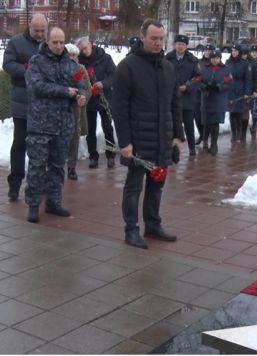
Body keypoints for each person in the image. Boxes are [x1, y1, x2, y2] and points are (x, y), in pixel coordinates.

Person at [112, 18, 185, 250]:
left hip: (162, 139)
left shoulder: (168, 67)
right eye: (153, 38)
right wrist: (124, 141)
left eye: (161, 38)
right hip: (137, 140)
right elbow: (119, 108)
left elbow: (175, 103)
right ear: (142, 37)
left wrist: (178, 135)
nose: (158, 43)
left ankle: (152, 224)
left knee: (157, 185)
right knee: (134, 187)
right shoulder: (127, 67)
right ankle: (131, 229)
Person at [25, 27, 87, 223]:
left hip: (63, 125)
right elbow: (36, 86)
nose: (59, 46)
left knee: (58, 166)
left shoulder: (71, 64)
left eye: (61, 42)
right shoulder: (37, 62)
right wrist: (65, 92)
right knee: (37, 166)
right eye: (55, 42)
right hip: (40, 125)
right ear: (47, 42)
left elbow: (81, 82)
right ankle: (33, 204)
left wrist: (82, 95)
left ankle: (54, 201)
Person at [2, 13, 48, 202]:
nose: (39, 34)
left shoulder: (50, 44)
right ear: (29, 27)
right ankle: (15, 182)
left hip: (44, 103)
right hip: (22, 101)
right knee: (20, 143)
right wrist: (27, 70)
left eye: (42, 30)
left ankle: (40, 181)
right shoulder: (16, 42)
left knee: (43, 144)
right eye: (36, 30)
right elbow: (7, 64)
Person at [76, 36, 117, 169]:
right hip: (89, 100)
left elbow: (114, 75)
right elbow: (76, 78)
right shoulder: (79, 62)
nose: (84, 51)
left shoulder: (105, 58)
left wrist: (103, 84)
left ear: (91, 45)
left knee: (107, 128)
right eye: (81, 49)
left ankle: (111, 156)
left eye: (85, 48)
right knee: (90, 130)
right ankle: (93, 156)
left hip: (105, 98)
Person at [166, 34, 200, 156]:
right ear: (175, 45)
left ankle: (192, 148)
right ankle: (171, 148)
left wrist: (188, 86)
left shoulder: (192, 60)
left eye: (183, 45)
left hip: (187, 98)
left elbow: (197, 77)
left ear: (186, 46)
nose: (180, 47)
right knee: (171, 125)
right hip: (171, 97)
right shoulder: (167, 59)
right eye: (178, 44)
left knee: (189, 125)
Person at [65, 43, 92, 180]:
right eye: (70, 55)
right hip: (61, 108)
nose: (72, 59)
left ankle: (71, 167)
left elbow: (87, 88)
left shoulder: (80, 70)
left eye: (75, 56)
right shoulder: (59, 69)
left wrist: (83, 97)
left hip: (76, 109)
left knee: (74, 138)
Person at [199, 50, 232, 155]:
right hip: (207, 98)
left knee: (215, 122)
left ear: (220, 58)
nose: (215, 60)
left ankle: (214, 144)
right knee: (206, 121)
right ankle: (205, 141)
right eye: (213, 58)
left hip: (218, 99)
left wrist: (219, 87)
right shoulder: (204, 68)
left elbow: (229, 82)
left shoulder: (225, 69)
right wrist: (204, 87)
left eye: (217, 58)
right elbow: (198, 81)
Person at [226, 44, 252, 143]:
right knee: (232, 113)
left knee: (240, 112)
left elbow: (248, 80)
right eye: (232, 51)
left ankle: (240, 132)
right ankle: (234, 133)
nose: (234, 52)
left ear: (239, 52)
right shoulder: (228, 62)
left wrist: (247, 92)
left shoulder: (245, 64)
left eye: (236, 51)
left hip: (241, 90)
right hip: (231, 90)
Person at [195, 44, 215, 148]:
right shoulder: (198, 62)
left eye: (209, 50)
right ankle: (201, 134)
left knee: (206, 117)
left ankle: (206, 137)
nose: (207, 52)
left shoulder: (214, 63)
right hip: (197, 92)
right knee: (197, 115)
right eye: (206, 50)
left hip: (208, 93)